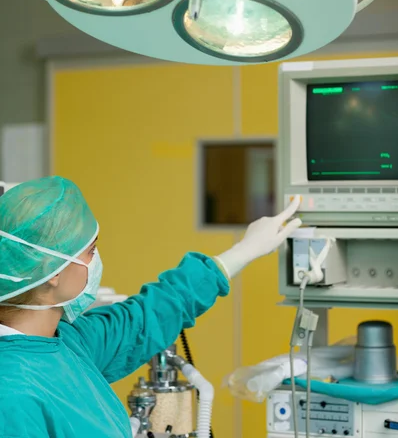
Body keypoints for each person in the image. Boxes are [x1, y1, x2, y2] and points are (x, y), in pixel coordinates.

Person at [0, 176, 300, 438]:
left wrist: (242, 252)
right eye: (90, 251)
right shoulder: (13, 393)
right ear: (53, 272)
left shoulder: (66, 341)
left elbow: (147, 316)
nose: (97, 260)